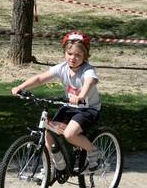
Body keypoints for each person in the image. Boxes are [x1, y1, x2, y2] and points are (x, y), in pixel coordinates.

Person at [11, 30, 101, 171]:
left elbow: (90, 82)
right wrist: (21, 87)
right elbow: (40, 78)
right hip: (69, 106)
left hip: (87, 109)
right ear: (64, 53)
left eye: (78, 55)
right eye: (70, 54)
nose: (73, 58)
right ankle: (56, 165)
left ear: (85, 55)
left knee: (69, 134)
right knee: (48, 130)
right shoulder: (62, 68)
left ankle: (93, 151)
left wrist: (81, 96)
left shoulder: (87, 70)